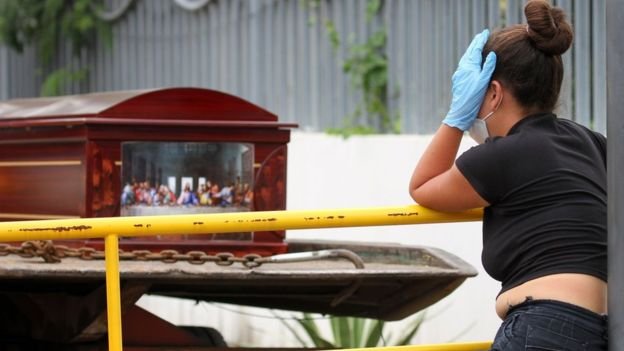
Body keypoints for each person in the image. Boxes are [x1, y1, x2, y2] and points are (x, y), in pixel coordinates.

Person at [408, 1, 607, 350]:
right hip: (601, 327)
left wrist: (455, 118)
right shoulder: (590, 142)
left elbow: (423, 187)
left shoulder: (499, 156)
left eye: (475, 94)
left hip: (544, 328)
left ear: (494, 92)